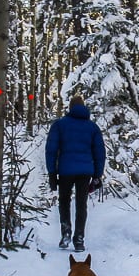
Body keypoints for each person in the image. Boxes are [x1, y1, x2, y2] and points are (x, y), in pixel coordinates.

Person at [45, 95, 106, 251]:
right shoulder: (92, 127)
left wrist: (52, 173)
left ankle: (66, 234)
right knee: (81, 205)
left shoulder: (59, 125)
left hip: (65, 171)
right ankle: (79, 239)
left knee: (64, 201)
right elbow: (99, 153)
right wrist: (98, 175)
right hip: (85, 172)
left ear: (70, 108)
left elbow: (51, 150)